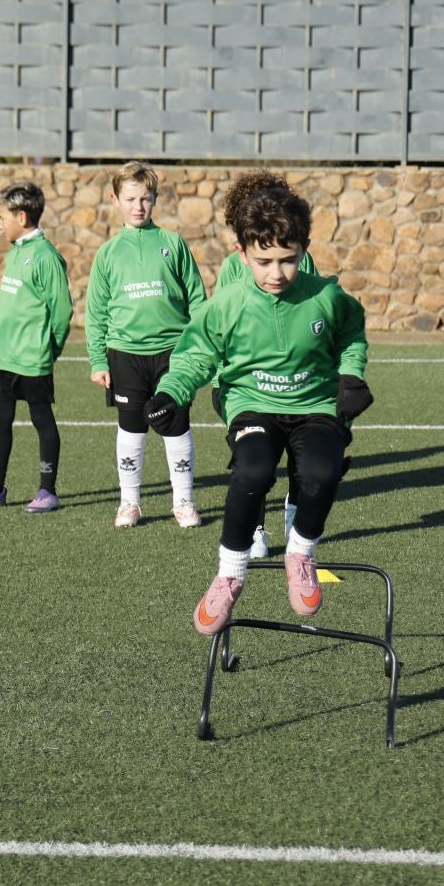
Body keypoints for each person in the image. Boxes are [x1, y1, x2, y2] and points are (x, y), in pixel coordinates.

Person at [142, 173, 374, 635]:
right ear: (243, 252)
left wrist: (352, 376)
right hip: (252, 404)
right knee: (252, 472)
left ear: (304, 249)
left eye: (287, 261)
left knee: (322, 473)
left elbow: (351, 335)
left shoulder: (326, 296)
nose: (276, 273)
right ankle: (230, 574)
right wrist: (172, 392)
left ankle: (301, 554)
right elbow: (196, 355)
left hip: (315, 404)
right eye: (263, 261)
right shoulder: (227, 303)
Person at [85, 160, 208, 528]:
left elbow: (198, 301)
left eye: (145, 198)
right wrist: (98, 360)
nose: (138, 206)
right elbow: (96, 312)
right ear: (115, 199)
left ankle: (183, 501)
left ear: (155, 199)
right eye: (130, 198)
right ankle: (130, 502)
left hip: (174, 352)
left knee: (176, 425)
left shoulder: (173, 244)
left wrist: (198, 347)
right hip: (125, 354)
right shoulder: (108, 253)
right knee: (131, 427)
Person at [210, 172, 322, 559]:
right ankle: (255, 528)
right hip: (244, 383)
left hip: (295, 382)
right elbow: (219, 326)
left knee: (301, 450)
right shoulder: (232, 268)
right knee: (252, 461)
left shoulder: (303, 264)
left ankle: (294, 517)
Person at [0, 180, 71, 514]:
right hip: (2, 356)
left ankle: (47, 491)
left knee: (42, 420)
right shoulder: (16, 252)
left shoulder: (46, 257)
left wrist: (51, 349)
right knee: (0, 417)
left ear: (21, 216)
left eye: (2, 216)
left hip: (32, 358)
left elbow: (62, 312)